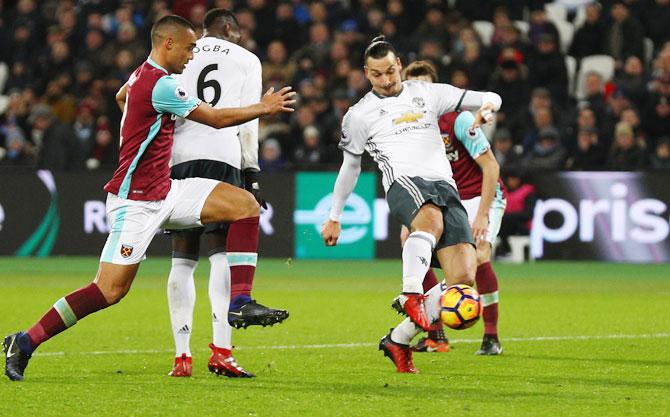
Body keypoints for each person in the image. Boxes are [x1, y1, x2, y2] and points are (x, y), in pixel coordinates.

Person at [3, 15, 295, 382]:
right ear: (168, 43)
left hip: (167, 190)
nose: (193, 55)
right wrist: (263, 107)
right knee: (108, 291)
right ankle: (25, 341)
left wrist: (139, 121)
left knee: (244, 205)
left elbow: (121, 96)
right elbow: (217, 119)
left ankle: (239, 302)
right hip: (135, 203)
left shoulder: (142, 76)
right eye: (189, 47)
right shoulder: (162, 85)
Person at [319, 36, 501, 373]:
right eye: (376, 75)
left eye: (390, 71)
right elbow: (351, 167)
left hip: (446, 187)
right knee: (430, 222)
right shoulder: (359, 115)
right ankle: (409, 293)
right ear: (365, 74)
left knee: (463, 277)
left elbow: (490, 96)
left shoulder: (427, 93)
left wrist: (488, 108)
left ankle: (399, 339)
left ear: (399, 64)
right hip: (404, 183)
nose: (386, 80)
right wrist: (334, 215)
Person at [165, 9, 289, 378]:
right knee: (221, 256)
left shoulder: (183, 51)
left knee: (182, 259)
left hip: (178, 158)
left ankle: (182, 357)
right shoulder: (246, 59)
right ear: (230, 28)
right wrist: (251, 173)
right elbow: (249, 120)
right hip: (221, 156)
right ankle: (221, 350)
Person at [395, 60, 506, 358]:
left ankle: (491, 336)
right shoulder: (407, 127)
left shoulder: (457, 120)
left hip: (481, 195)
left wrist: (482, 215)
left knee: (480, 256)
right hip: (448, 199)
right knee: (414, 248)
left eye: (426, 85)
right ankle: (437, 335)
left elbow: (491, 167)